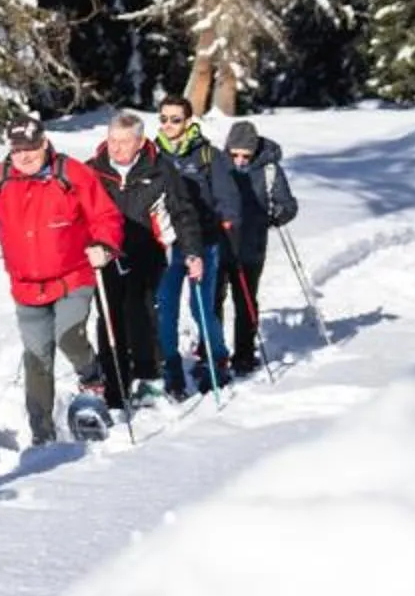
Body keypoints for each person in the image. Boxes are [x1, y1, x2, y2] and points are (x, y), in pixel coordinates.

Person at [0, 117, 125, 446]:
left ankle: (93, 382)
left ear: (45, 144)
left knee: (68, 335)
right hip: (26, 285)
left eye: (31, 149)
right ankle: (42, 435)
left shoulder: (72, 173)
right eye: (18, 150)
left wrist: (105, 246)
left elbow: (105, 216)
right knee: (37, 358)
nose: (24, 157)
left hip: (73, 275)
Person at [83, 109, 206, 403]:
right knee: (110, 318)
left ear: (139, 142)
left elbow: (183, 213)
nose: (116, 147)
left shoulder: (160, 170)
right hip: (106, 255)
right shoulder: (92, 170)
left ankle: (148, 374)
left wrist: (192, 252)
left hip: (148, 251)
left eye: (124, 142)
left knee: (142, 311)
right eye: (112, 140)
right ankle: (115, 385)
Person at [150, 95, 244, 388]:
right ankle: (171, 365)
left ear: (188, 121)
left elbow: (228, 197)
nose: (168, 125)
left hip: (203, 243)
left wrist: (227, 220)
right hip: (167, 245)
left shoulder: (206, 155)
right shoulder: (153, 154)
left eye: (175, 119)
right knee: (165, 307)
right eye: (163, 118)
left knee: (200, 307)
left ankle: (216, 359)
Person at [219, 119, 300, 373]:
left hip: (251, 247)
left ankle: (244, 354)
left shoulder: (268, 169)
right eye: (235, 154)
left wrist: (277, 214)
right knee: (214, 300)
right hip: (220, 245)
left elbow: (287, 204)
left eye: (246, 155)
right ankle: (214, 353)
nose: (241, 160)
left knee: (245, 300)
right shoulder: (217, 166)